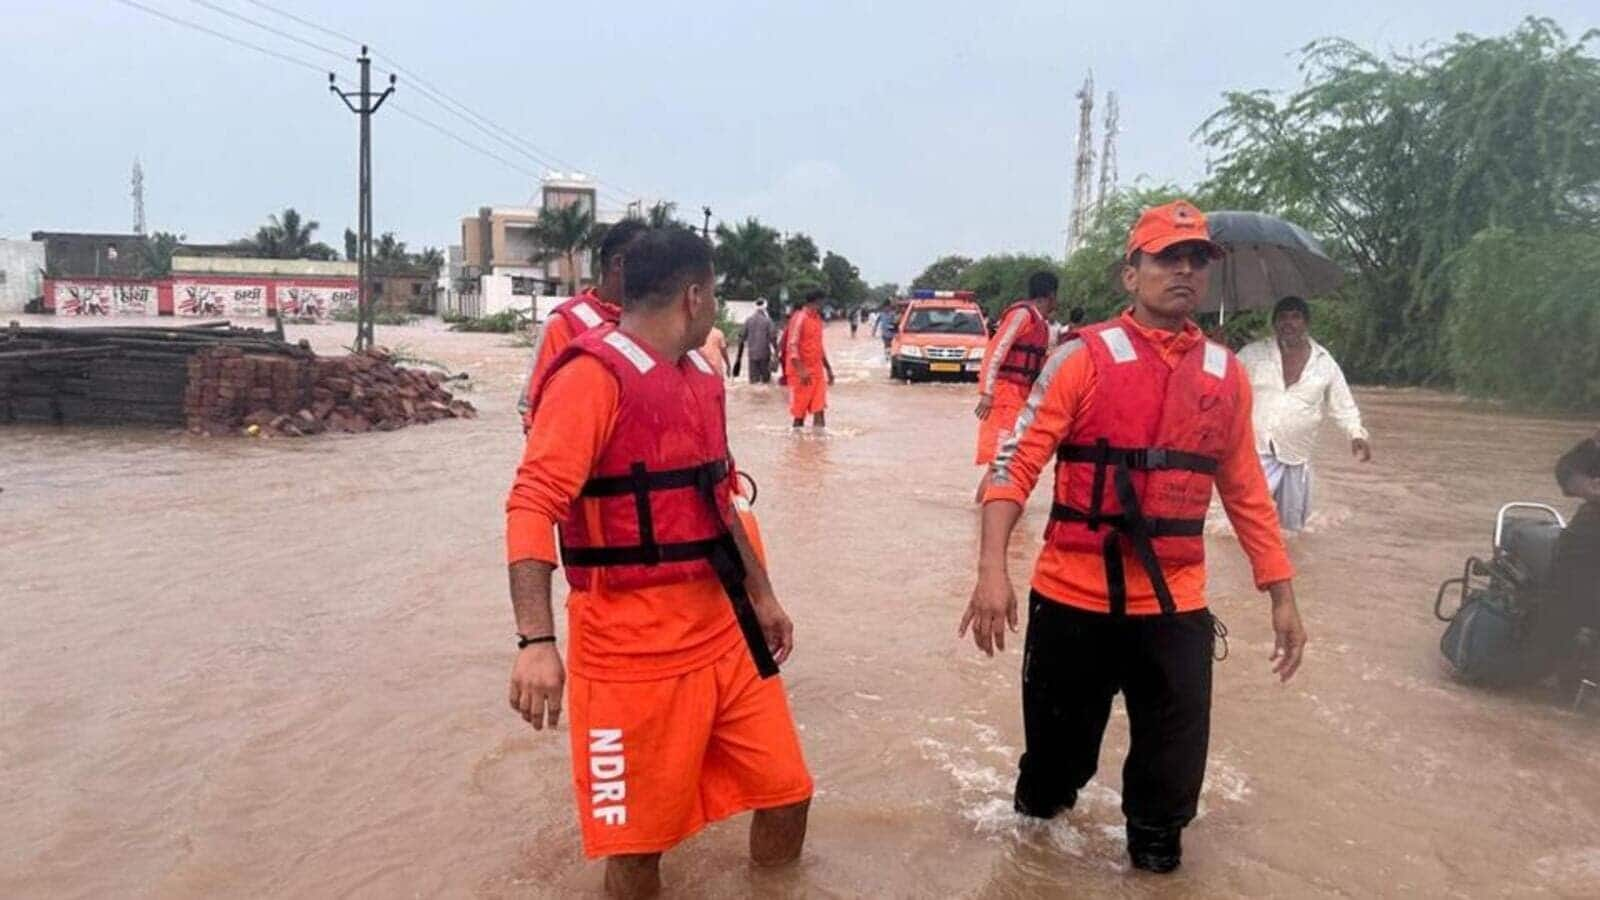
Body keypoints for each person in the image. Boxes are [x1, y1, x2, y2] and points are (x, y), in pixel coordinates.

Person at [959, 200, 1306, 875]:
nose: (1182, 270)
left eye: (1196, 259)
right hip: (1071, 603)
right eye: (1166, 257)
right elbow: (1014, 465)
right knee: (1050, 785)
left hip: (1174, 609)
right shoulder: (1079, 360)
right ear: (1130, 272)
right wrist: (991, 570)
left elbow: (1246, 495)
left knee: (1166, 804)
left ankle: (1153, 861)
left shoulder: (1225, 376)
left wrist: (1282, 593)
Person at [505, 227, 812, 898]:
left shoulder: (700, 375)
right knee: (637, 849)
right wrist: (535, 642)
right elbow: (531, 502)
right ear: (695, 296)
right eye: (716, 294)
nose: (717, 307)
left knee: (789, 792)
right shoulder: (590, 377)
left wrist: (764, 595)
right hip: (627, 650)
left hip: (722, 628)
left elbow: (718, 499)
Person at [1237, 296, 1373, 531]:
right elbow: (1223, 384)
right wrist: (1215, 350)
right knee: (1249, 521)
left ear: (1306, 323)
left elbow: (1343, 404)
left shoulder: (1324, 362)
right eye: (1283, 317)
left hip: (1296, 455)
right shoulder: (1252, 354)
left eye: (1295, 317)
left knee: (1291, 531)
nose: (1288, 323)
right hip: (1256, 450)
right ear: (1274, 323)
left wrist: (1356, 434)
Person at [517, 218, 650, 432]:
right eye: (650, 263)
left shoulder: (656, 323)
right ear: (619, 264)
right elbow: (534, 409)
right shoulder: (563, 326)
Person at [973, 272, 1059, 501]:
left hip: (1021, 397)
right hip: (1005, 395)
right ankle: (983, 518)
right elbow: (995, 351)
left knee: (1007, 462)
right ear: (1051, 295)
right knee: (999, 463)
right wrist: (987, 393)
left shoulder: (1043, 326)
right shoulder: (1022, 316)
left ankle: (986, 515)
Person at [784, 290, 834, 429]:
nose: (824, 305)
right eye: (823, 302)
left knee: (820, 409)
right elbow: (792, 345)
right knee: (799, 414)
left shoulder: (817, 319)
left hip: (817, 371)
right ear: (816, 301)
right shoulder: (800, 318)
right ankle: (797, 445)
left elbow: (819, 347)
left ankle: (818, 447)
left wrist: (828, 369)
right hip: (801, 372)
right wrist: (801, 370)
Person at [737, 299, 778, 384]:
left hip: (752, 354)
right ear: (765, 308)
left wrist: (739, 355)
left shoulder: (748, 320)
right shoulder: (768, 321)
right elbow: (773, 337)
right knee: (766, 381)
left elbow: (741, 337)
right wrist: (776, 351)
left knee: (753, 381)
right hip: (764, 354)